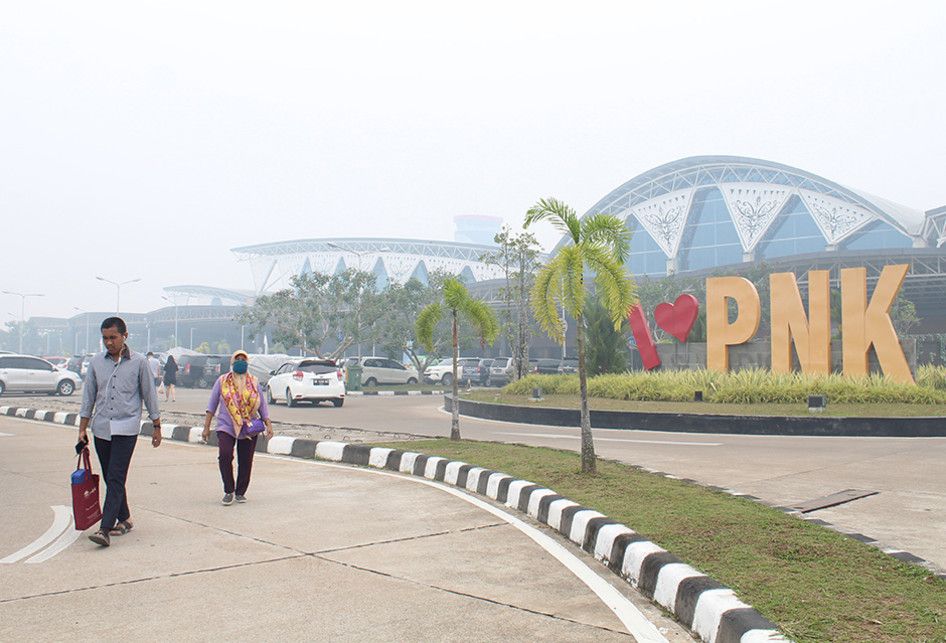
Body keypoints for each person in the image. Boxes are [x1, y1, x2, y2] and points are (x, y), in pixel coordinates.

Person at [78, 317, 162, 547]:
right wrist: (82, 428)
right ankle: (125, 518)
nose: (109, 342)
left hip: (127, 427)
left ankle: (105, 528)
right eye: (105, 338)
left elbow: (149, 395)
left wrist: (157, 425)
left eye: (113, 337)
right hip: (102, 428)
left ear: (125, 336)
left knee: (115, 475)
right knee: (110, 476)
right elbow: (89, 397)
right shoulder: (96, 363)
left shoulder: (139, 362)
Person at [202, 350, 273, 505]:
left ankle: (240, 492)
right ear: (232, 363)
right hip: (226, 426)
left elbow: (262, 405)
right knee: (225, 456)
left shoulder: (254, 382)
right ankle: (229, 490)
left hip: (249, 426)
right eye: (237, 359)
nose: (241, 361)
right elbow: (212, 405)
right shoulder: (222, 381)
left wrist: (268, 423)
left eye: (243, 359)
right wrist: (206, 427)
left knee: (246, 460)